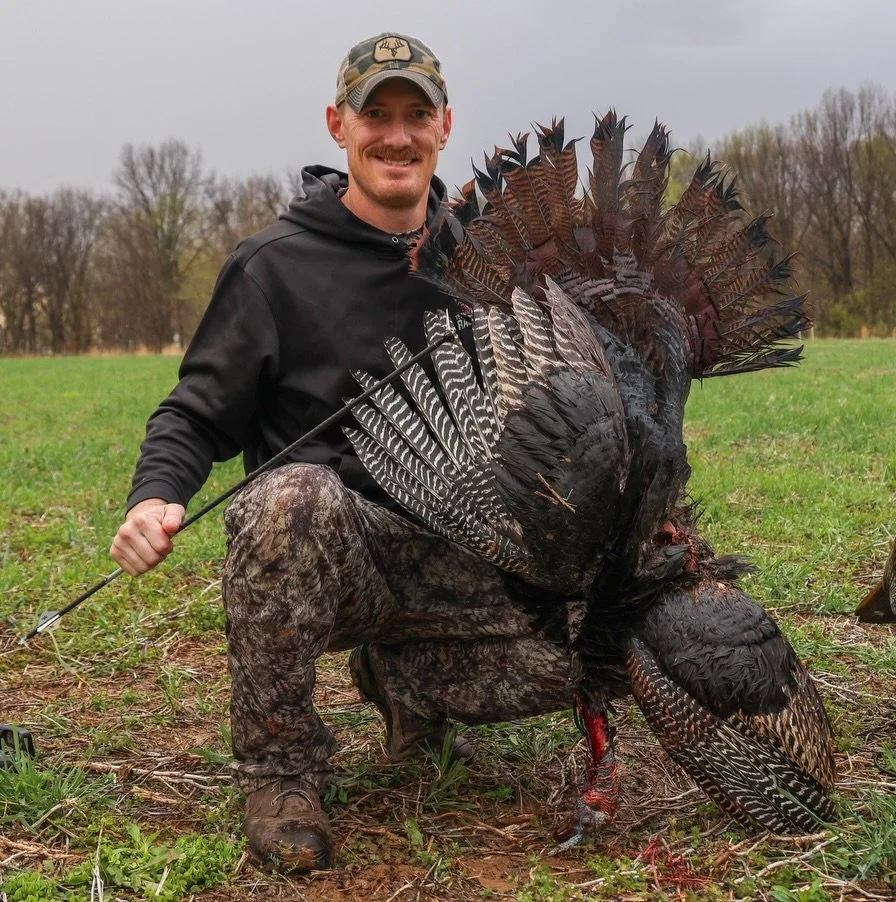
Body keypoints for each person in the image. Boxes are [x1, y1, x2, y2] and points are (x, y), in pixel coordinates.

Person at [110, 33, 576, 873]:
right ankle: (282, 770)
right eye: (376, 115)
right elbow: (195, 412)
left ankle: (408, 681)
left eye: (416, 116)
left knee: (611, 630)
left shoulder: (495, 263)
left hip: (466, 550)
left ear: (445, 127)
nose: (396, 136)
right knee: (292, 499)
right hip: (338, 550)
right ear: (338, 125)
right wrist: (154, 495)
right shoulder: (272, 267)